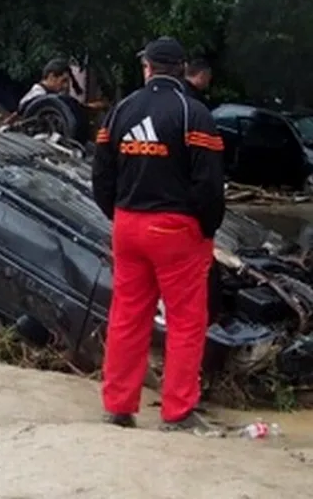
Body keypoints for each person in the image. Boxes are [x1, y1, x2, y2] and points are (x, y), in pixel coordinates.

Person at [90, 36, 226, 435]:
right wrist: (206, 229)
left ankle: (118, 408)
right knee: (185, 321)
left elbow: (101, 175)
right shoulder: (194, 114)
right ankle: (178, 412)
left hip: (128, 225)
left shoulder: (120, 111)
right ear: (182, 70)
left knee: (127, 316)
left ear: (147, 68)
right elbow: (209, 184)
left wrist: (117, 213)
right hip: (175, 229)